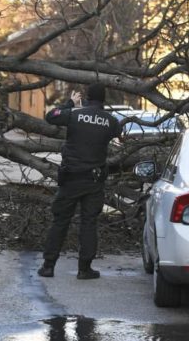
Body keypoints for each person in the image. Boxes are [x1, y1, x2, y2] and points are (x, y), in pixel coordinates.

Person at [38, 83, 122, 280]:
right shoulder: (110, 121)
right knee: (89, 223)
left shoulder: (75, 115)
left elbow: (51, 116)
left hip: (71, 179)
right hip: (94, 180)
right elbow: (119, 133)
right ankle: (84, 269)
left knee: (60, 221)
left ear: (86, 98)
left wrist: (71, 103)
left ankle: (48, 266)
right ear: (103, 99)